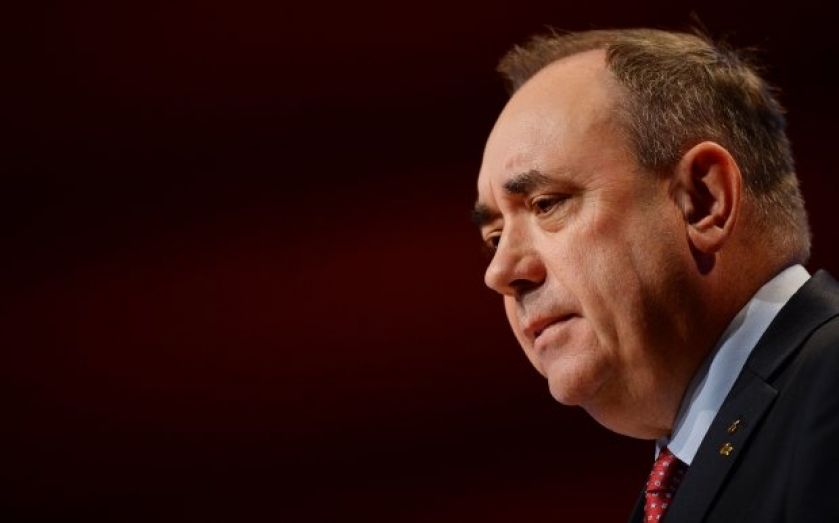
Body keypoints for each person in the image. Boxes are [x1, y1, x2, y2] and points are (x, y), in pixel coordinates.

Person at [473, 28, 839, 522]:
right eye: (495, 237)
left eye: (546, 204)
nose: (500, 271)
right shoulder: (681, 478)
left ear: (703, 201)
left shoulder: (828, 384)